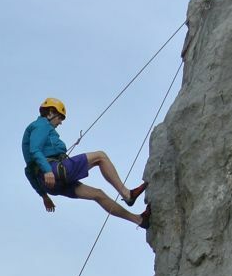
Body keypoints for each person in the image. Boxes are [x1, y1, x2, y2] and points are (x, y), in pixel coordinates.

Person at [22, 97, 148, 226]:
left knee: (98, 194)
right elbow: (35, 150)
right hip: (54, 171)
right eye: (60, 117)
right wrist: (48, 170)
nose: (60, 122)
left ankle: (140, 220)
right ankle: (127, 194)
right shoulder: (42, 124)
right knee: (101, 156)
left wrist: (44, 196)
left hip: (51, 185)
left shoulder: (37, 132)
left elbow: (29, 172)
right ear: (50, 113)